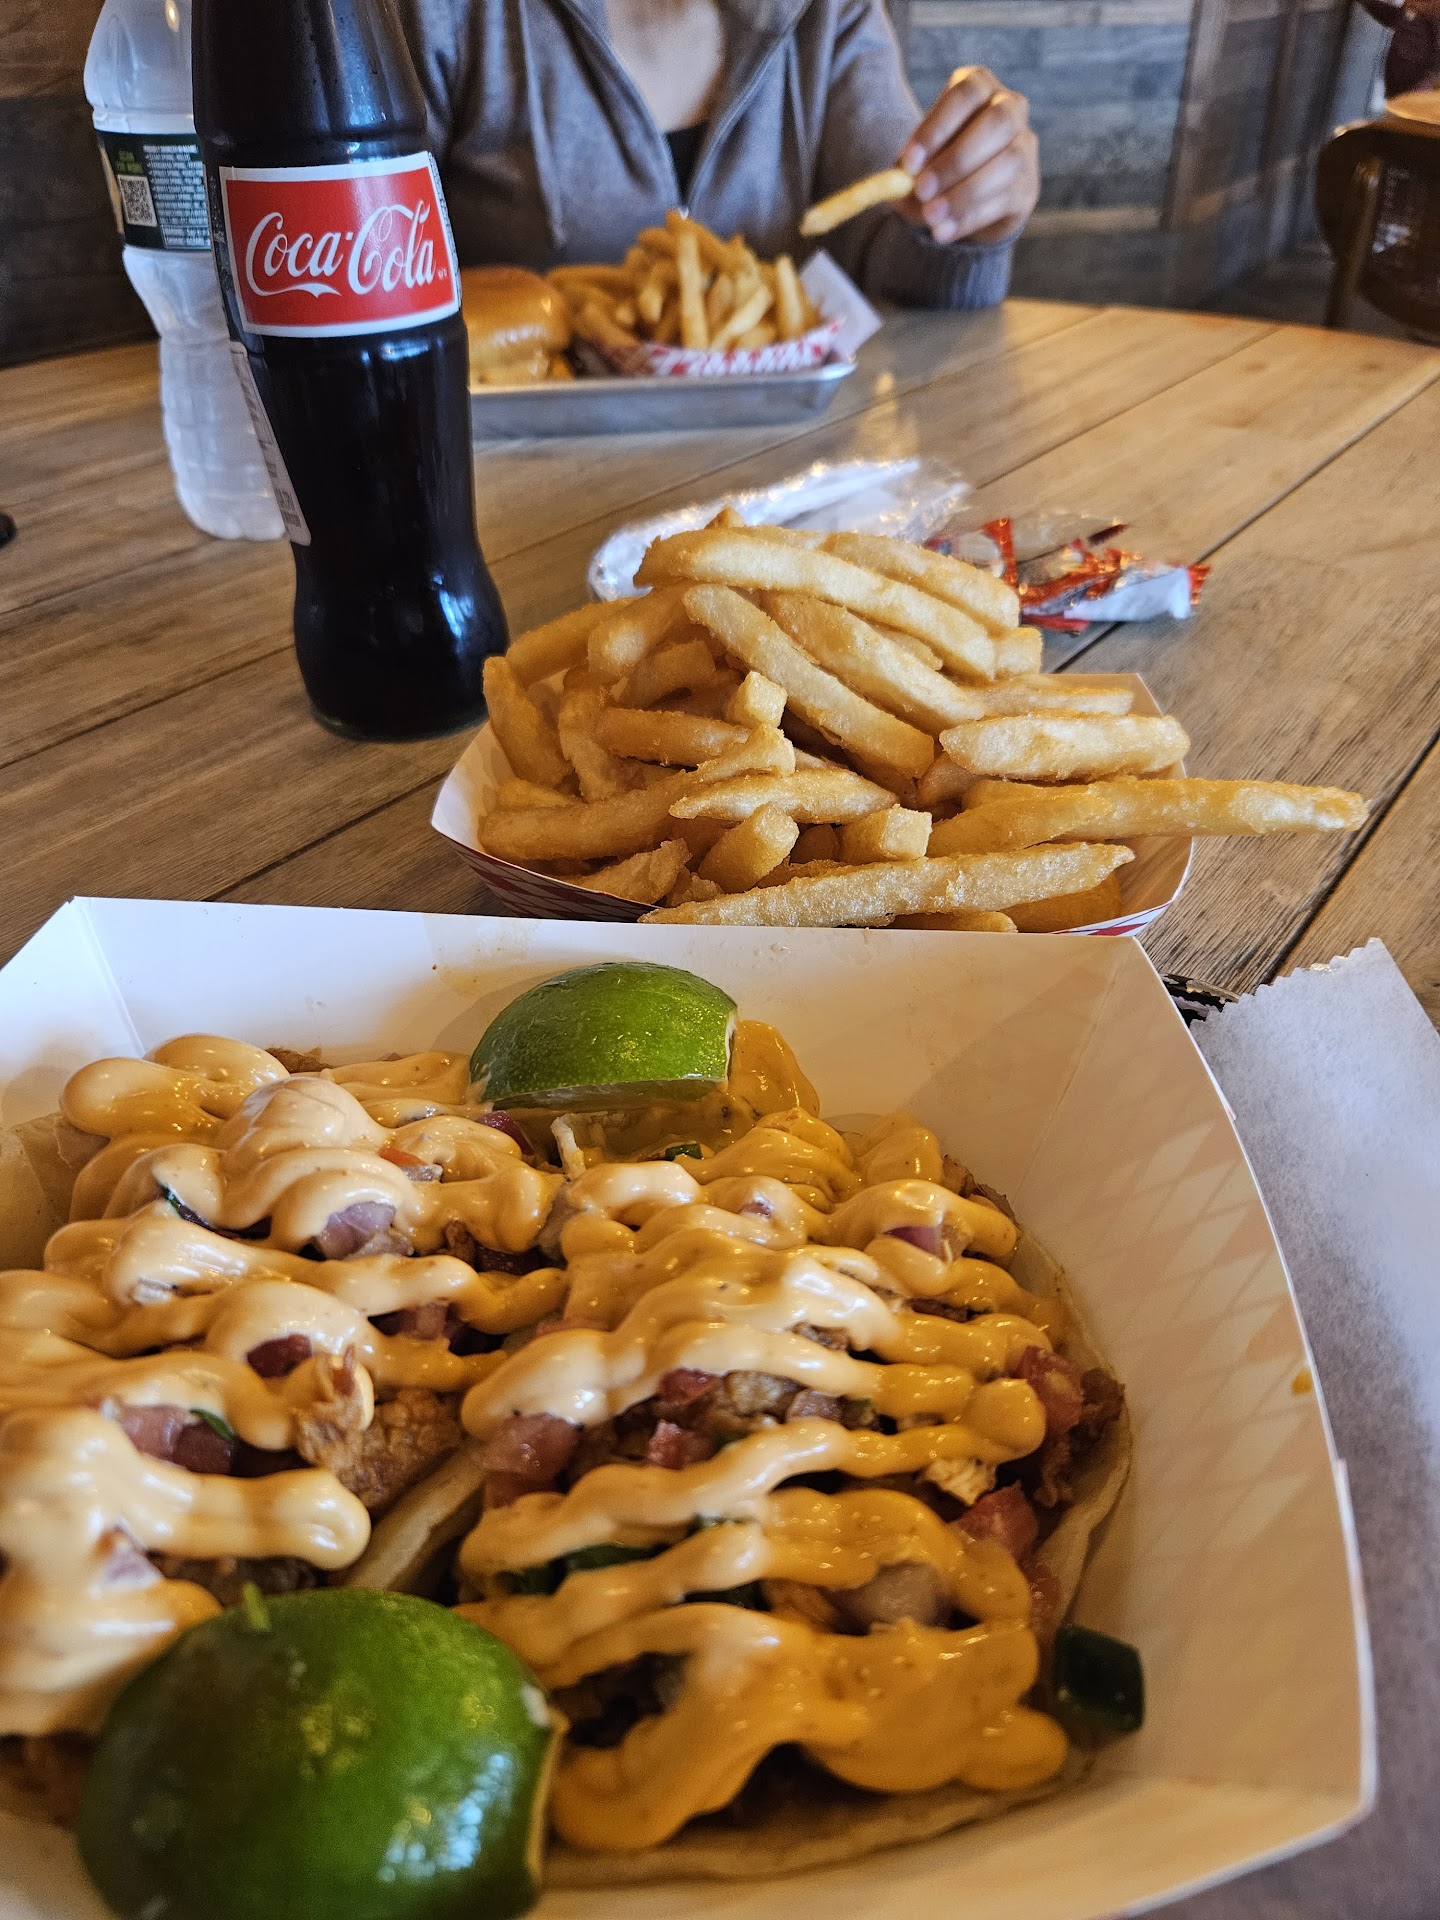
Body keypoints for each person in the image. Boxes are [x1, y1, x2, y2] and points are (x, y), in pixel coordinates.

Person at [397, 0, 1039, 309]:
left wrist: (968, 215)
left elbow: (898, 259)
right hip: (518, 491)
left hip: (786, 486)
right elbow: (369, 302)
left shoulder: (830, 12)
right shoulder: (431, 15)